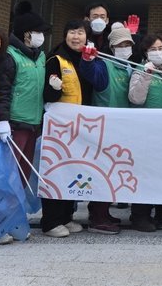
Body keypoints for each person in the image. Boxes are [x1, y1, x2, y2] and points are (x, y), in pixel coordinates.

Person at [40, 18, 110, 238]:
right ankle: (50, 221)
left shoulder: (89, 58)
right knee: (57, 170)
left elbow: (99, 84)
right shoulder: (55, 59)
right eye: (72, 32)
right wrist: (54, 88)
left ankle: (65, 216)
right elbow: (47, 95)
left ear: (87, 37)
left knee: (73, 170)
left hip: (82, 126)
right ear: (65, 35)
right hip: (59, 128)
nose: (76, 37)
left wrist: (90, 62)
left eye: (80, 32)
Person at [0, 2, 49, 229]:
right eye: (37, 32)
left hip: (33, 124)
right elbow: (3, 91)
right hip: (15, 124)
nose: (41, 36)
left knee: (23, 176)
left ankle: (14, 218)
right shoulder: (10, 56)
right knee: (9, 176)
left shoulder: (40, 56)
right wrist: (2, 120)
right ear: (26, 33)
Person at [83, 22, 134, 234]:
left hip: (122, 128)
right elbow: (91, 73)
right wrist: (87, 60)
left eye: (128, 44)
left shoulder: (130, 67)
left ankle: (102, 211)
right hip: (104, 128)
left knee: (114, 172)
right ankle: (98, 216)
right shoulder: (104, 66)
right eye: (120, 45)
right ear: (112, 48)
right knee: (102, 172)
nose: (125, 48)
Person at [128, 33, 162, 231]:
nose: (157, 52)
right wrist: (146, 75)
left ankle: (158, 214)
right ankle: (139, 215)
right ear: (145, 53)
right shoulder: (140, 70)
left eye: (160, 48)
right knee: (144, 175)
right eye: (152, 49)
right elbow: (135, 98)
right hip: (145, 131)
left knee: (160, 174)